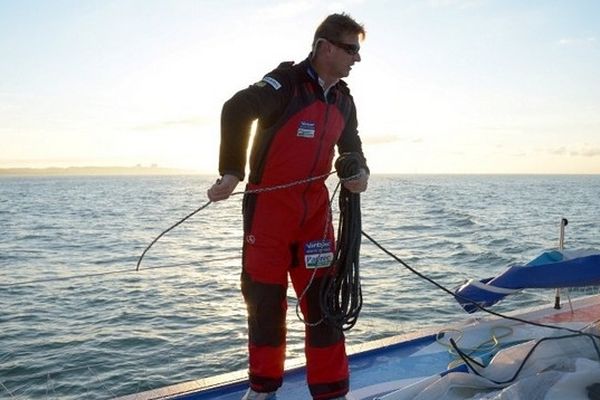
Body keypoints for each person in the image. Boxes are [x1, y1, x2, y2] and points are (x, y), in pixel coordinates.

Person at [207, 13, 369, 400]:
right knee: (265, 304)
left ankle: (332, 393)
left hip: (315, 219)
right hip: (268, 217)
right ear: (324, 47)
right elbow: (236, 109)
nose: (356, 60)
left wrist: (359, 172)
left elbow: (352, 148)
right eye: (351, 50)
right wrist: (231, 172)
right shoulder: (286, 85)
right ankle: (263, 390)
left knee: (324, 305)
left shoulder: (344, 101)